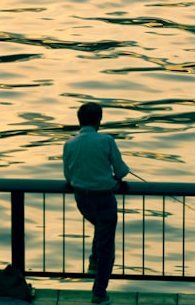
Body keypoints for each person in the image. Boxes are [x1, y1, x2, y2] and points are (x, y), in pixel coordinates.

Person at [62, 102, 129, 305]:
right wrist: (118, 178)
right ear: (99, 120)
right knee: (106, 246)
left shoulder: (69, 143)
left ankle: (93, 260)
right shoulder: (106, 141)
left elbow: (68, 175)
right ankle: (99, 293)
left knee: (101, 231)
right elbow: (120, 171)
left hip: (82, 199)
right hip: (104, 199)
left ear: (79, 120)